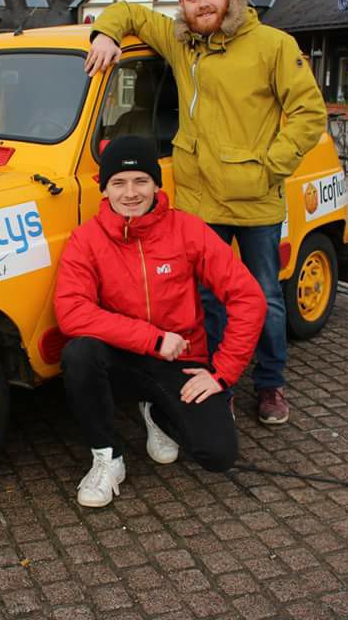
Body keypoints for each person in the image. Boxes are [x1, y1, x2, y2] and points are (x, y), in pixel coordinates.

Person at [84, 0, 327, 425]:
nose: (203, 5)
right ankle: (220, 382)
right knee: (208, 299)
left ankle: (271, 383)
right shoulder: (180, 41)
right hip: (199, 199)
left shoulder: (272, 44)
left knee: (264, 294)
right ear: (183, 3)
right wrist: (106, 34)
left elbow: (309, 112)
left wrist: (270, 168)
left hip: (255, 197)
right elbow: (128, 11)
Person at [54, 135, 267, 507]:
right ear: (104, 188)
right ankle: (107, 458)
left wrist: (222, 373)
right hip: (123, 357)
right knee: (79, 354)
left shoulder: (188, 229)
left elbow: (249, 297)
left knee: (218, 454)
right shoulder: (86, 240)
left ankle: (157, 412)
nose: (130, 193)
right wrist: (151, 338)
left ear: (156, 184)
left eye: (141, 180)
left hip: (180, 360)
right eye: (119, 182)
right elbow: (71, 311)